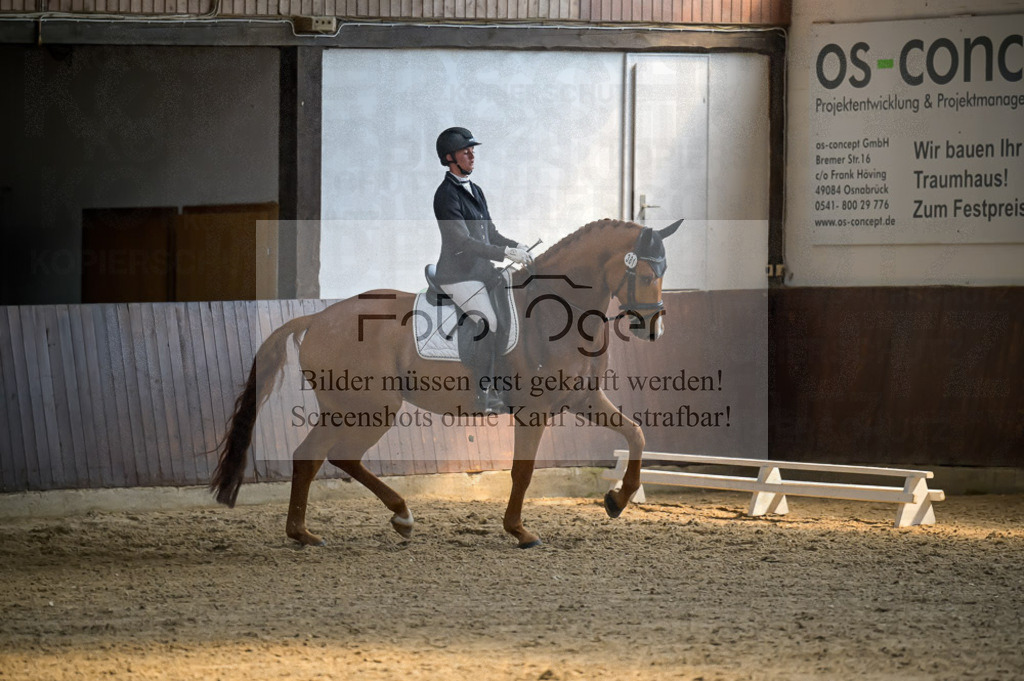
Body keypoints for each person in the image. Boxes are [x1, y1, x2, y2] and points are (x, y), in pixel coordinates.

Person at [432, 127, 533, 415]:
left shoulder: (475, 190)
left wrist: (516, 245)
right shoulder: (445, 195)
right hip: (457, 275)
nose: (472, 155)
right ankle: (483, 394)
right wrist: (504, 254)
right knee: (488, 321)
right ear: (450, 158)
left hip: (481, 271)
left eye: (472, 150)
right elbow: (462, 242)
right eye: (465, 151)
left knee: (513, 311)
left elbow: (491, 233)